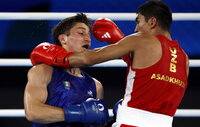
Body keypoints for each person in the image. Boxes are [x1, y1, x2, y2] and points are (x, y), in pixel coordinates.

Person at [30, 1, 189, 127]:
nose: (136, 28)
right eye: (81, 33)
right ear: (62, 38)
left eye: (138, 21)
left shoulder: (140, 40)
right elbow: (152, 76)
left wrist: (59, 56)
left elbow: (88, 58)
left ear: (152, 22)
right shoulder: (184, 58)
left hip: (131, 123)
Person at [24, 13, 109, 127]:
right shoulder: (43, 72)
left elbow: (96, 120)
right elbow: (33, 112)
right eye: (81, 33)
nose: (88, 38)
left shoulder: (95, 85)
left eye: (89, 35)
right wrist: (80, 113)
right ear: (63, 39)